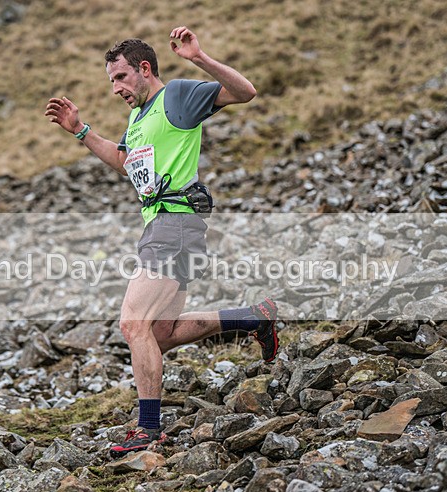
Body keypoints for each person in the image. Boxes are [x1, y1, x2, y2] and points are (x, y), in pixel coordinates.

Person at [45, 27, 278, 457]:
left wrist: (199, 58)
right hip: (166, 226)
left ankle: (148, 429)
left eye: (120, 77)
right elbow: (125, 161)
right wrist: (80, 131)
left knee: (132, 325)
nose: (115, 89)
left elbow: (245, 92)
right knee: (161, 333)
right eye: (111, 81)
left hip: (175, 225)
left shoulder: (177, 97)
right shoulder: (139, 117)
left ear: (144, 69)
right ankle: (251, 318)